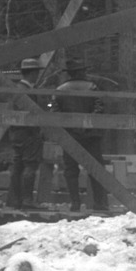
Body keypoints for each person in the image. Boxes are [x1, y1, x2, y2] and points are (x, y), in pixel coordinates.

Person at [53, 57, 107, 213]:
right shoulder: (92, 87)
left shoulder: (60, 90)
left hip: (70, 136)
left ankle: (75, 203)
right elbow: (99, 109)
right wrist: (87, 127)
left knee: (71, 170)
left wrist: (69, 128)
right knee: (96, 169)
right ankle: (99, 203)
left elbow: (55, 112)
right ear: (81, 72)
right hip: (91, 136)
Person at [6, 57, 47, 208]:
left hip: (17, 133)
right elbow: (29, 114)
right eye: (36, 72)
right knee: (30, 165)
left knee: (17, 167)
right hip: (28, 133)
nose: (37, 76)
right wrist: (37, 131)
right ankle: (27, 200)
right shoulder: (26, 91)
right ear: (32, 73)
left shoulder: (17, 89)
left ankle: (15, 201)